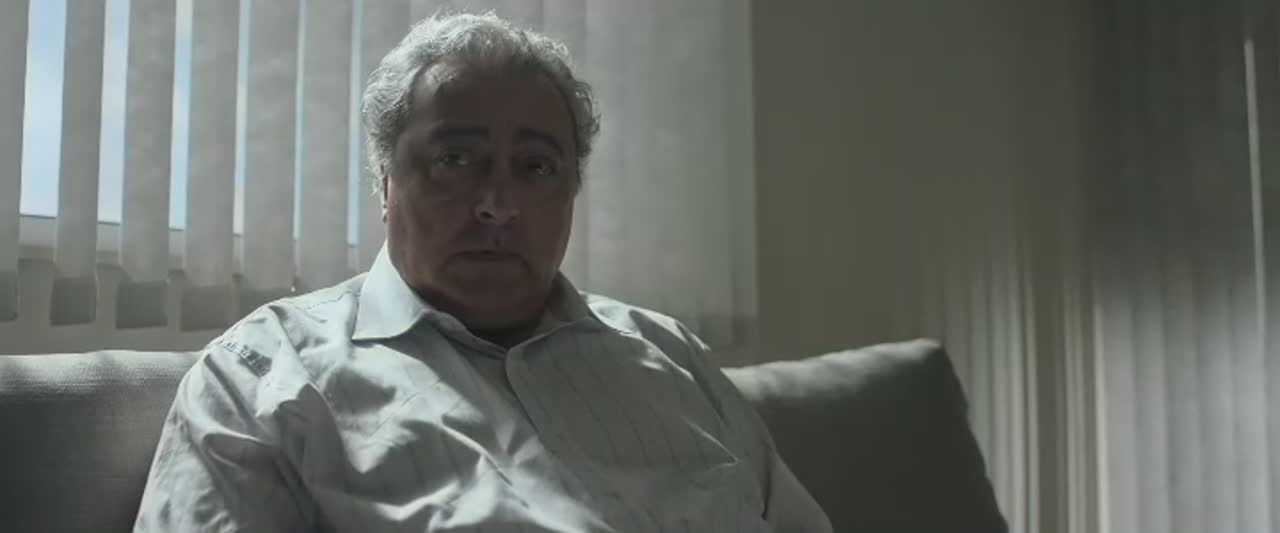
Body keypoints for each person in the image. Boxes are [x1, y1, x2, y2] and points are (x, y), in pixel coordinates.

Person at [134, 12, 831, 532]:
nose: (498, 204)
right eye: (455, 159)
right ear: (385, 184)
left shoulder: (672, 355)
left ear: (571, 193)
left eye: (535, 167)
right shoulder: (262, 376)